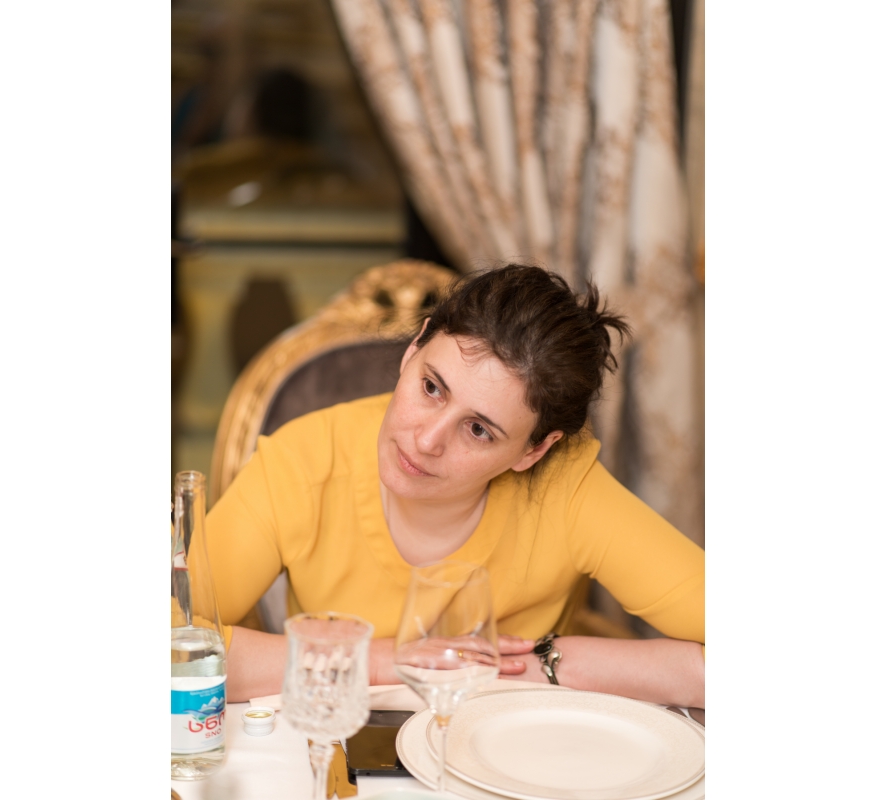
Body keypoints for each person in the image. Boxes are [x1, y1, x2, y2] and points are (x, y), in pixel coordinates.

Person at [206, 265, 704, 707]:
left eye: (479, 429)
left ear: (534, 450)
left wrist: (544, 664)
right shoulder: (303, 459)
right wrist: (390, 660)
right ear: (415, 347)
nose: (426, 440)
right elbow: (173, 641)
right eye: (431, 387)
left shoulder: (567, 488)